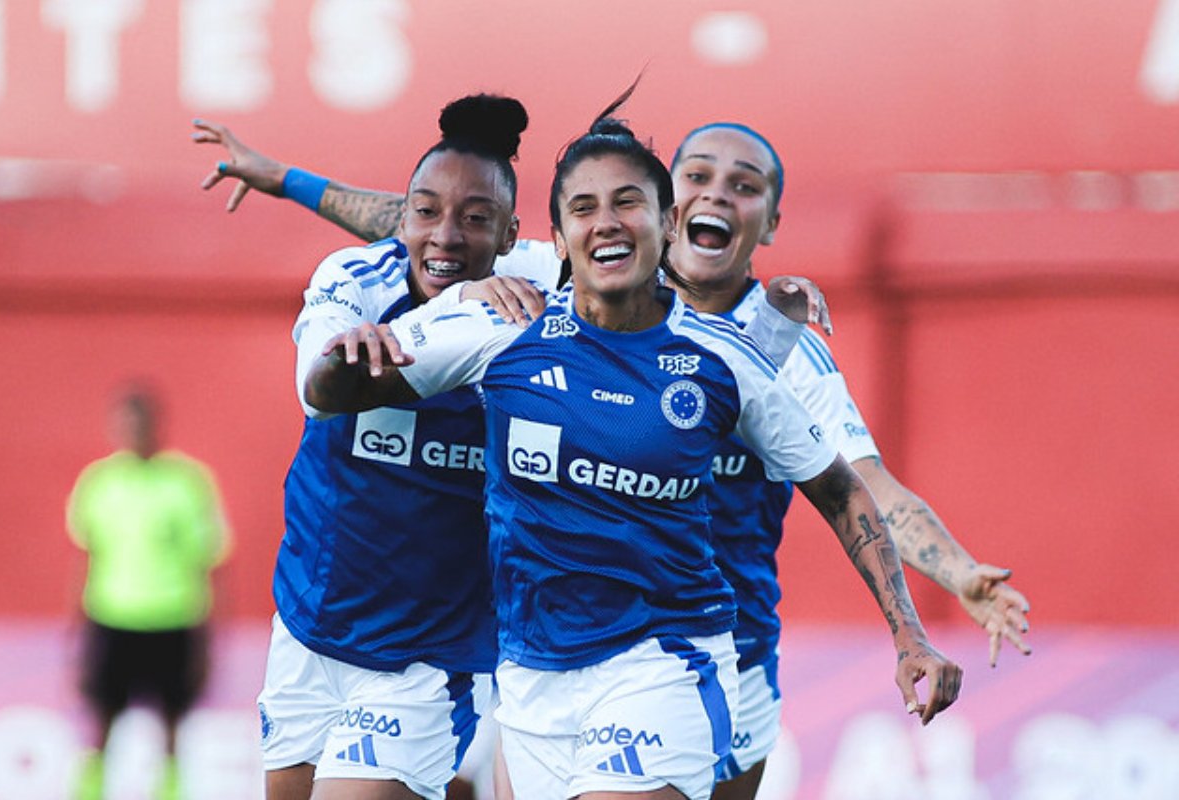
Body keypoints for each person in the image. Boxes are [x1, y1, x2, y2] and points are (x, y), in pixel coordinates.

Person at [194, 113, 1031, 800]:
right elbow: (435, 226)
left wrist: (938, 599)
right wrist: (333, 305)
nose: (714, 195)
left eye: (742, 186)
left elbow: (856, 488)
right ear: (554, 237)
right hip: (532, 667)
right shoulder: (515, 310)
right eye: (699, 174)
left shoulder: (758, 356)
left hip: (689, 653)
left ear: (679, 221)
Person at [255, 93, 565, 800]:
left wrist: (769, 318)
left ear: (513, 236)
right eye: (426, 212)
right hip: (311, 624)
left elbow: (649, 264)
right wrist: (445, 313)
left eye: (477, 219)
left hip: (429, 657)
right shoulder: (352, 280)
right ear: (402, 219)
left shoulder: (542, 295)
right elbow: (317, 391)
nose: (447, 237)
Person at [66, 382, 231, 800]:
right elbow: (86, 556)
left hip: (172, 619)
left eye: (138, 423)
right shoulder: (99, 482)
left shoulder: (187, 482)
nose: (131, 432)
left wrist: (210, 640)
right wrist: (76, 634)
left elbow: (210, 562)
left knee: (172, 726)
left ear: (156, 425)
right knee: (101, 723)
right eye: (123, 423)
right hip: (112, 616)